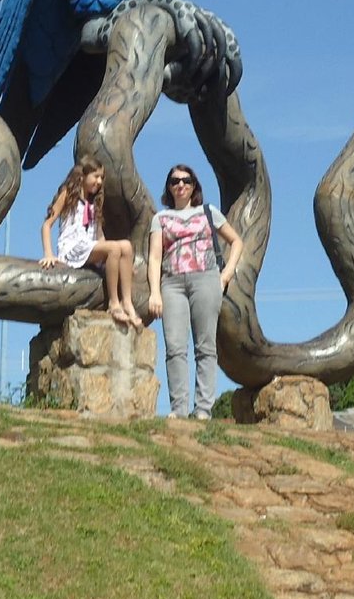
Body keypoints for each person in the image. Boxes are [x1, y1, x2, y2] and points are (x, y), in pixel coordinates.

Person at [147, 163, 243, 419]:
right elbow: (155, 257)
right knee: (175, 347)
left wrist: (226, 274)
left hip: (206, 279)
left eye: (186, 181)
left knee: (205, 346)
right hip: (172, 283)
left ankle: (203, 410)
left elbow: (236, 241)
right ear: (169, 187)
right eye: (175, 181)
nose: (181, 185)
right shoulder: (160, 219)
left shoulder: (208, 212)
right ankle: (178, 409)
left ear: (194, 186)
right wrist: (154, 292)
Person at [41, 156, 142, 328]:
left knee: (125, 246)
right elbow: (47, 225)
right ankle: (113, 303)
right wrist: (49, 254)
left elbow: (99, 236)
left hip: (89, 246)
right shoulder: (68, 194)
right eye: (96, 176)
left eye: (101, 177)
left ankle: (127, 302)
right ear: (82, 176)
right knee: (113, 248)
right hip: (72, 248)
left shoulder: (94, 204)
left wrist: (122, 262)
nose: (99, 181)